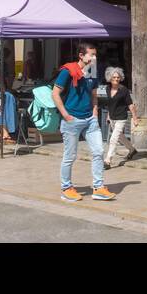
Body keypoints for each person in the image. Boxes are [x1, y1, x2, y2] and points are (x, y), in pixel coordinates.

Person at [52, 43, 116, 202]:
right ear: (81, 56)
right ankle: (66, 188)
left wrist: (95, 112)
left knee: (98, 151)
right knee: (70, 156)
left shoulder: (92, 71)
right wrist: (66, 115)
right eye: (91, 55)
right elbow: (55, 94)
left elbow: (94, 93)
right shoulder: (68, 71)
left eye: (95, 55)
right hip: (72, 120)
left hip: (90, 119)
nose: (95, 58)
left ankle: (98, 187)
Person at [102, 66, 139, 169]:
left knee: (113, 139)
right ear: (110, 78)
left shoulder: (124, 90)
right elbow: (110, 103)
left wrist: (135, 118)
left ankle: (108, 160)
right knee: (120, 137)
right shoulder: (107, 88)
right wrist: (108, 115)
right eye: (114, 77)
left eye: (118, 77)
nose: (116, 79)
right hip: (113, 117)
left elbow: (130, 105)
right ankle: (132, 150)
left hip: (121, 117)